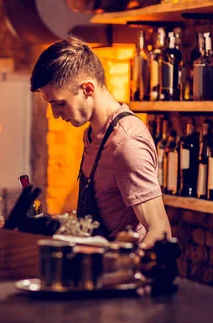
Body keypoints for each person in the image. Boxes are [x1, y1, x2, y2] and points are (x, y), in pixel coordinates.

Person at [30, 37, 170, 246]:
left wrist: (120, 268)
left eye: (60, 103)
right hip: (95, 268)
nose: (56, 114)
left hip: (119, 274)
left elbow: (159, 231)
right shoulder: (93, 135)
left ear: (87, 89)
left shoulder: (126, 144)